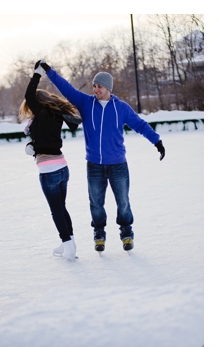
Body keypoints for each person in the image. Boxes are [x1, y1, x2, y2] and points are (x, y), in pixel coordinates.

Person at [39, 60, 165, 253]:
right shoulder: (86, 103)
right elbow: (67, 88)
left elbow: (139, 124)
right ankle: (99, 234)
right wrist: (49, 71)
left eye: (99, 86)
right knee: (96, 203)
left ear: (108, 88)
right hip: (94, 165)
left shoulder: (121, 108)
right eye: (94, 86)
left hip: (118, 165)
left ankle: (126, 233)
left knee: (123, 202)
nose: (95, 89)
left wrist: (157, 141)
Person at [19, 61, 82, 261]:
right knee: (61, 208)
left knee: (56, 211)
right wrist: (33, 147)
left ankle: (69, 247)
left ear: (38, 102)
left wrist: (37, 73)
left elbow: (29, 94)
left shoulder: (43, 113)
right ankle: (69, 243)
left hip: (49, 171)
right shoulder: (54, 114)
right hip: (62, 167)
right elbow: (46, 139)